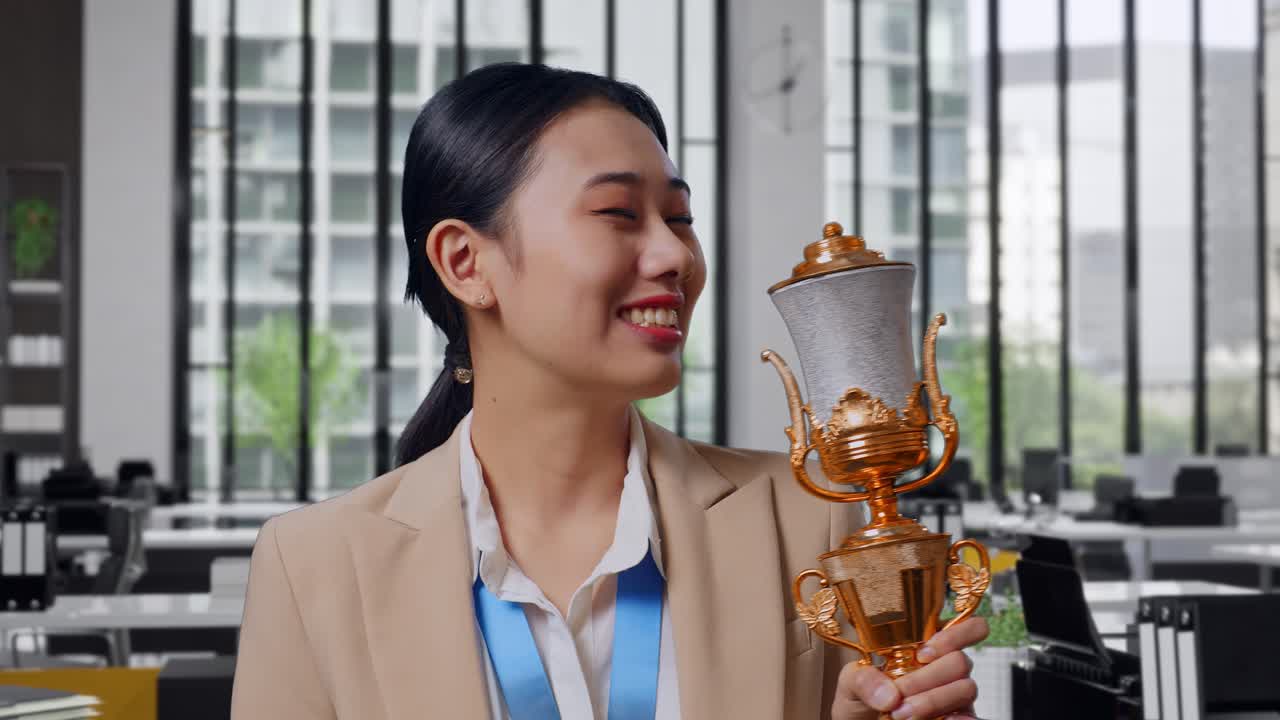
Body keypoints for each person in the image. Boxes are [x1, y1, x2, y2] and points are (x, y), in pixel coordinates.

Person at [229, 62, 986, 720]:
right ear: (465, 262)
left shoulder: (806, 521)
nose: (673, 256)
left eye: (680, 218)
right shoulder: (316, 567)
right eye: (618, 214)